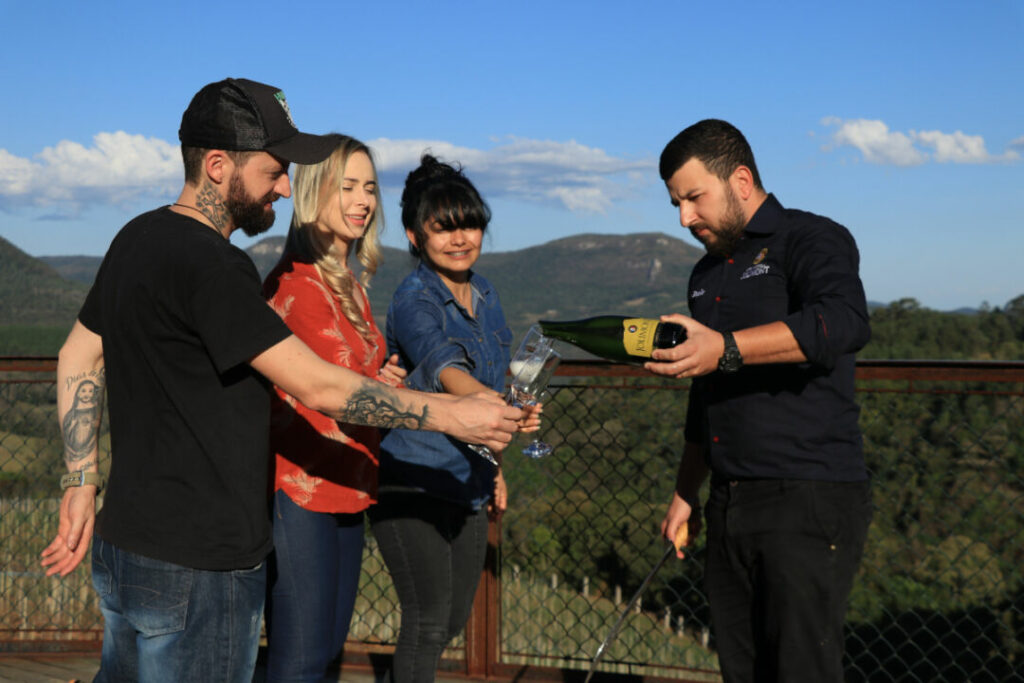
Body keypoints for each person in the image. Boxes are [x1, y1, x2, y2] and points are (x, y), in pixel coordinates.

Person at [39, 78, 522, 683]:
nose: (286, 187)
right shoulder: (217, 267)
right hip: (201, 566)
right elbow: (318, 387)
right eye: (273, 171)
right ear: (218, 166)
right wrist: (453, 415)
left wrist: (80, 481)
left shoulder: (137, 236)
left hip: (125, 549)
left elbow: (78, 355)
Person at [649, 119, 873, 683]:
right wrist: (685, 493)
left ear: (741, 181)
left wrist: (725, 347)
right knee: (741, 671)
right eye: (676, 203)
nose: (684, 218)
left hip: (807, 494)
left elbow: (842, 322)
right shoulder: (705, 273)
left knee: (801, 670)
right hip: (728, 503)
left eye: (694, 198)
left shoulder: (811, 238)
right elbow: (706, 389)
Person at [368, 155, 521, 683]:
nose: (460, 239)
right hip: (412, 477)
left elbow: (495, 376)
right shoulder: (414, 299)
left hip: (470, 480)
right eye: (443, 228)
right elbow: (443, 365)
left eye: (470, 225)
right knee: (428, 622)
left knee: (451, 620)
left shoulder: (486, 294)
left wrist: (496, 464)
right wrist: (497, 408)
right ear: (416, 236)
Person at [262, 134, 401, 682]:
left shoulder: (349, 286)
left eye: (369, 187)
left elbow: (355, 380)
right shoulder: (295, 287)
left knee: (324, 653)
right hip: (302, 489)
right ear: (313, 192)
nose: (363, 200)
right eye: (347, 187)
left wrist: (381, 380)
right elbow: (328, 391)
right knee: (300, 660)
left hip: (347, 482)